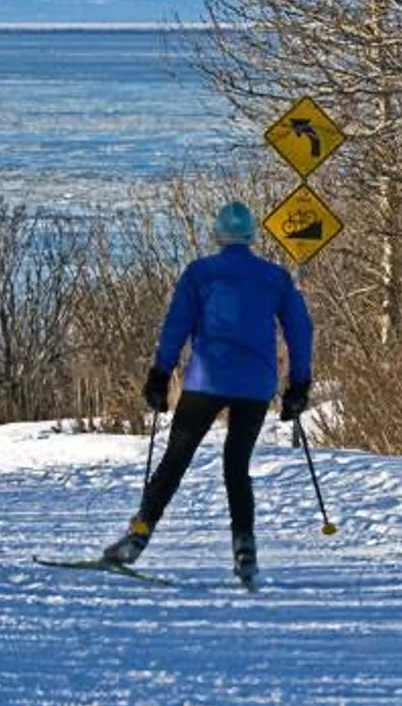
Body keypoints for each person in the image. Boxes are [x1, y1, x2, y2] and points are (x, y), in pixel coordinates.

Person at [103, 200, 313, 584]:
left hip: (207, 380)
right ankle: (245, 548)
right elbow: (300, 329)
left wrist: (160, 373)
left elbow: (176, 325)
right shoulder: (275, 277)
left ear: (217, 235)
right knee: (237, 466)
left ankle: (138, 535)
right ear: (251, 236)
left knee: (175, 460)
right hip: (255, 384)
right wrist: (299, 383)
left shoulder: (201, 273)